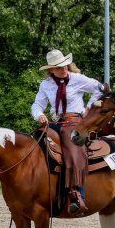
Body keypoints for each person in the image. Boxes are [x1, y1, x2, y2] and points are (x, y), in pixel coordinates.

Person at [30, 49, 103, 214]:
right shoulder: (46, 85)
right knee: (36, 140)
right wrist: (40, 115)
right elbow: (37, 105)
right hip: (55, 122)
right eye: (58, 67)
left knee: (73, 148)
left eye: (64, 65)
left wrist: (88, 108)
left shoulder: (77, 79)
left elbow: (99, 88)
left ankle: (77, 193)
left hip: (75, 123)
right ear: (51, 70)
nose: (63, 69)